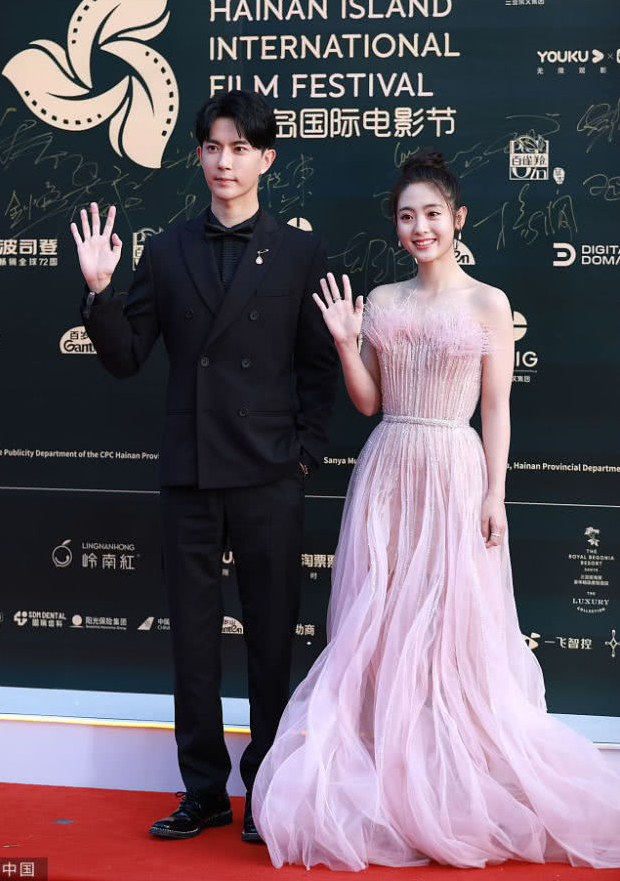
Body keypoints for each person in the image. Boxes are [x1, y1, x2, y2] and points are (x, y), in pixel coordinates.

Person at [252, 150, 620, 870]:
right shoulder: (383, 301)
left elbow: (497, 409)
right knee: (382, 623)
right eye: (406, 217)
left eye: (431, 214)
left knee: (450, 627)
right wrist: (345, 342)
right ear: (395, 228)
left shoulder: (488, 303)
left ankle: (450, 783)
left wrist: (494, 494)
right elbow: (367, 402)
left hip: (454, 468)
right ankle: (390, 783)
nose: (419, 227)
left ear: (457, 219)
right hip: (388, 466)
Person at [70, 90, 337, 844]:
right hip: (189, 472)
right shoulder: (167, 250)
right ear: (197, 155)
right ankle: (203, 793)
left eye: (241, 148)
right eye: (214, 147)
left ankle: (268, 791)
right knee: (191, 638)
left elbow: (319, 370)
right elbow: (126, 359)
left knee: (270, 640)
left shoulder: (300, 253)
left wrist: (303, 455)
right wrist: (99, 293)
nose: (226, 161)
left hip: (268, 473)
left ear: (266, 159)